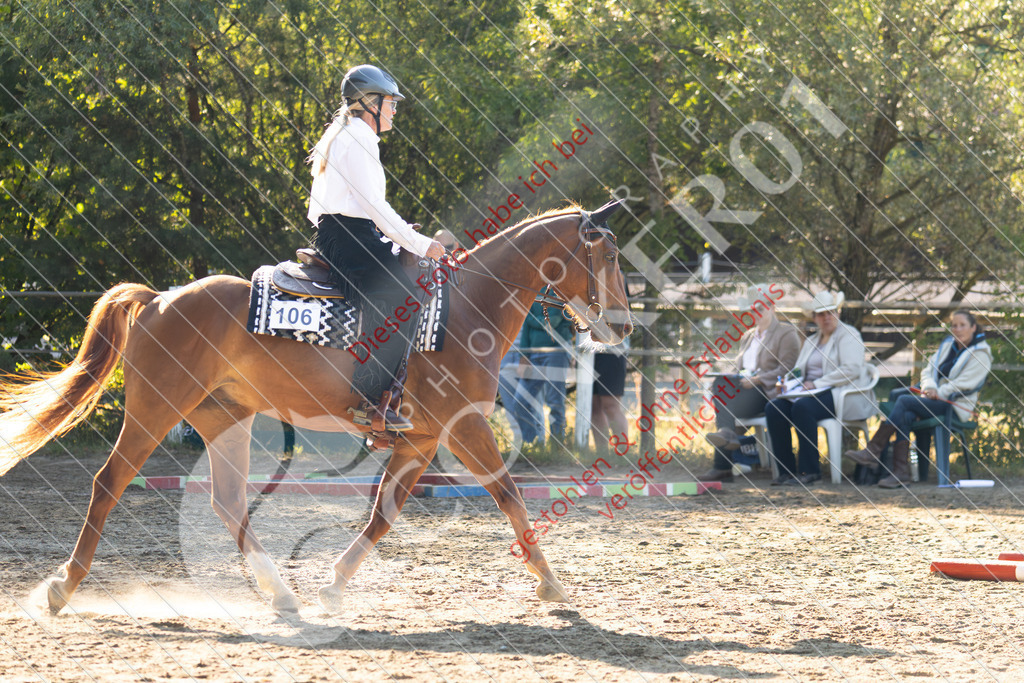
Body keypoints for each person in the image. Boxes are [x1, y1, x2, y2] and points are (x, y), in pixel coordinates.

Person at [307, 64, 445, 431]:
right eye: (390, 103)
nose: (395, 109)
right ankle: (371, 404)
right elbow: (374, 206)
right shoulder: (359, 138)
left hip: (347, 232)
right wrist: (421, 244)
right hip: (349, 235)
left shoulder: (346, 134)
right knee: (404, 300)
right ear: (370, 103)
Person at [844, 310, 991, 488]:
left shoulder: (981, 353)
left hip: (954, 405)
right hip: (934, 399)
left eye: (962, 325)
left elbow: (965, 383)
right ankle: (899, 473)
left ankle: (874, 451)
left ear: (973, 328)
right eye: (954, 325)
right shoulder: (947, 345)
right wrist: (929, 387)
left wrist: (940, 392)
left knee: (904, 401)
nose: (957, 329)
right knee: (905, 414)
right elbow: (928, 370)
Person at [764, 291, 874, 485]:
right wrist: (787, 384)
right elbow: (798, 371)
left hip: (842, 393)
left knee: (803, 408)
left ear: (837, 313)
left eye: (831, 312)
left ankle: (810, 471)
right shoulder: (812, 341)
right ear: (814, 318)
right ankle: (786, 471)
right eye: (821, 314)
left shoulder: (848, 335)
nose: (827, 318)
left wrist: (816, 384)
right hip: (810, 393)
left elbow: (851, 370)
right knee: (774, 408)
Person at [700, 284, 801, 482]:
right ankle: (727, 436)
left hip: (767, 391)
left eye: (760, 309)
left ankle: (722, 465)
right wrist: (736, 377)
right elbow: (740, 369)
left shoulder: (786, 333)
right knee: (720, 384)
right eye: (752, 310)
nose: (756, 313)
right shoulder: (748, 336)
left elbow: (787, 368)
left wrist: (757, 380)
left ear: (771, 307)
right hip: (743, 390)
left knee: (724, 410)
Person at [515, 301, 573, 445]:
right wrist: (524, 355)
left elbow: (551, 322)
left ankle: (557, 445)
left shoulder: (560, 292)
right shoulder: (535, 290)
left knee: (555, 402)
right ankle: (531, 443)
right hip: (534, 354)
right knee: (520, 401)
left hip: (557, 353)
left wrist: (528, 316)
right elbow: (527, 327)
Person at [590, 336, 631, 455]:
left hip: (612, 351)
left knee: (611, 406)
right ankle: (602, 454)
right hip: (589, 354)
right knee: (593, 407)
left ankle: (622, 454)